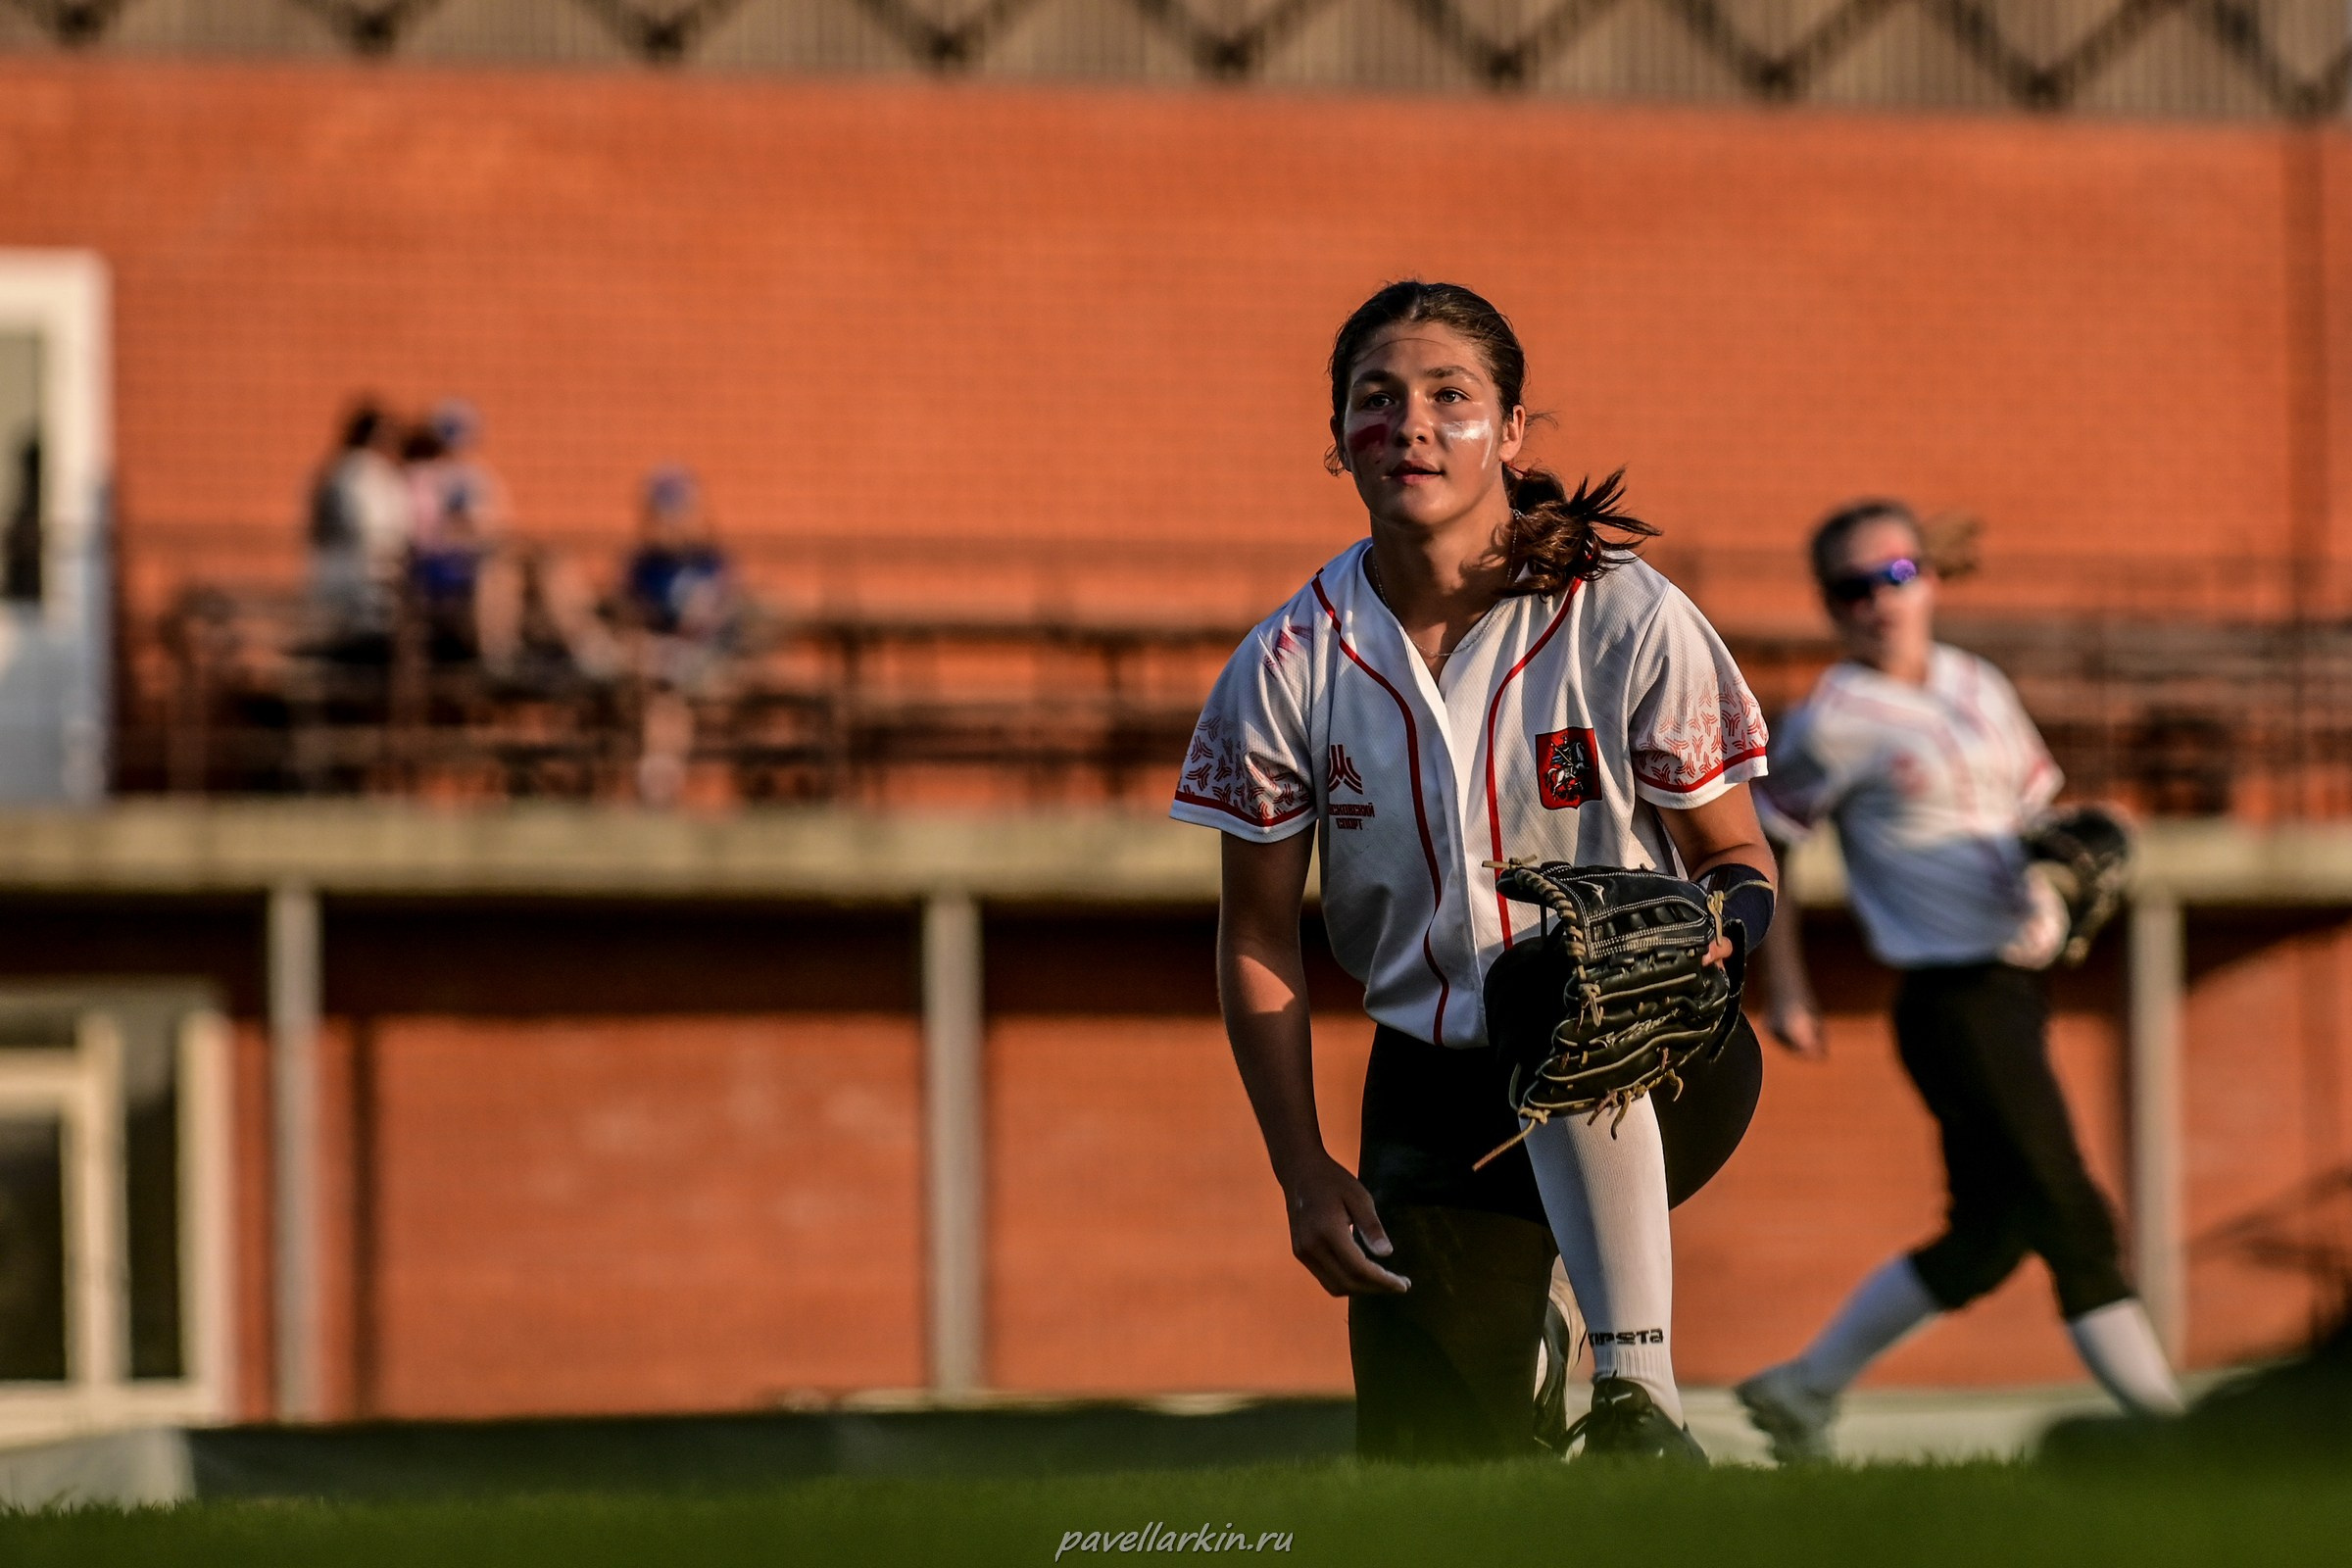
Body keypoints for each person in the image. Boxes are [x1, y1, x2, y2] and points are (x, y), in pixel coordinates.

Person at [1171, 281, 1777, 1462]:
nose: (1410, 422)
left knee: (1547, 974)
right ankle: (1529, 1335)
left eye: (1450, 395)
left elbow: (1738, 854)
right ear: (1337, 435)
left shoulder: (1625, 615)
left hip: (1656, 1048)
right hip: (1438, 1097)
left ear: (1509, 431)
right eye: (1376, 398)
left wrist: (1726, 923)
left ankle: (1640, 1403)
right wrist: (1303, 1170)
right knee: (1435, 1485)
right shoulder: (1289, 660)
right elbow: (1256, 936)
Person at [1736, 498, 2183, 1464]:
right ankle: (2173, 1434)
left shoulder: (1976, 681)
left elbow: (2037, 812)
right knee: (2070, 1209)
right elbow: (1769, 839)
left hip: (2016, 983)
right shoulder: (1834, 719)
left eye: (1894, 575)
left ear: (1929, 577)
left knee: (1987, 1236)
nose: (1877, 601)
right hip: (1949, 997)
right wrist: (1788, 984)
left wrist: (2069, 864)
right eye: (1851, 587)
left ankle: (1800, 1388)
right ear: (1828, 605)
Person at [615, 466, 741, 805]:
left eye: (677, 511)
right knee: (663, 696)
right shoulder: (643, 565)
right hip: (657, 661)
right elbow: (630, 621)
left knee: (669, 695)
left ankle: (658, 784)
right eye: (662, 513)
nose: (670, 522)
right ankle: (662, 783)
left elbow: (722, 623)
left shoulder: (710, 562)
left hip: (706, 658)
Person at [306, 400, 412, 651]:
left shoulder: (335, 470)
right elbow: (374, 528)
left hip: (337, 573)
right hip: (364, 577)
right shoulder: (361, 473)